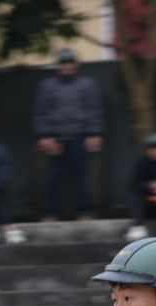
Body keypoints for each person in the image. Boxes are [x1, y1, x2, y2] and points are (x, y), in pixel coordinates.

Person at [34, 48, 104, 221]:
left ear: (77, 64)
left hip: (80, 137)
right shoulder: (47, 86)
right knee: (53, 178)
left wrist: (94, 133)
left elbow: (95, 110)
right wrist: (44, 136)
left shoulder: (88, 84)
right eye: (63, 63)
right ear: (58, 65)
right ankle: (51, 212)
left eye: (70, 62)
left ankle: (84, 210)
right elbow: (40, 113)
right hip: (55, 139)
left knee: (82, 176)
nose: (67, 66)